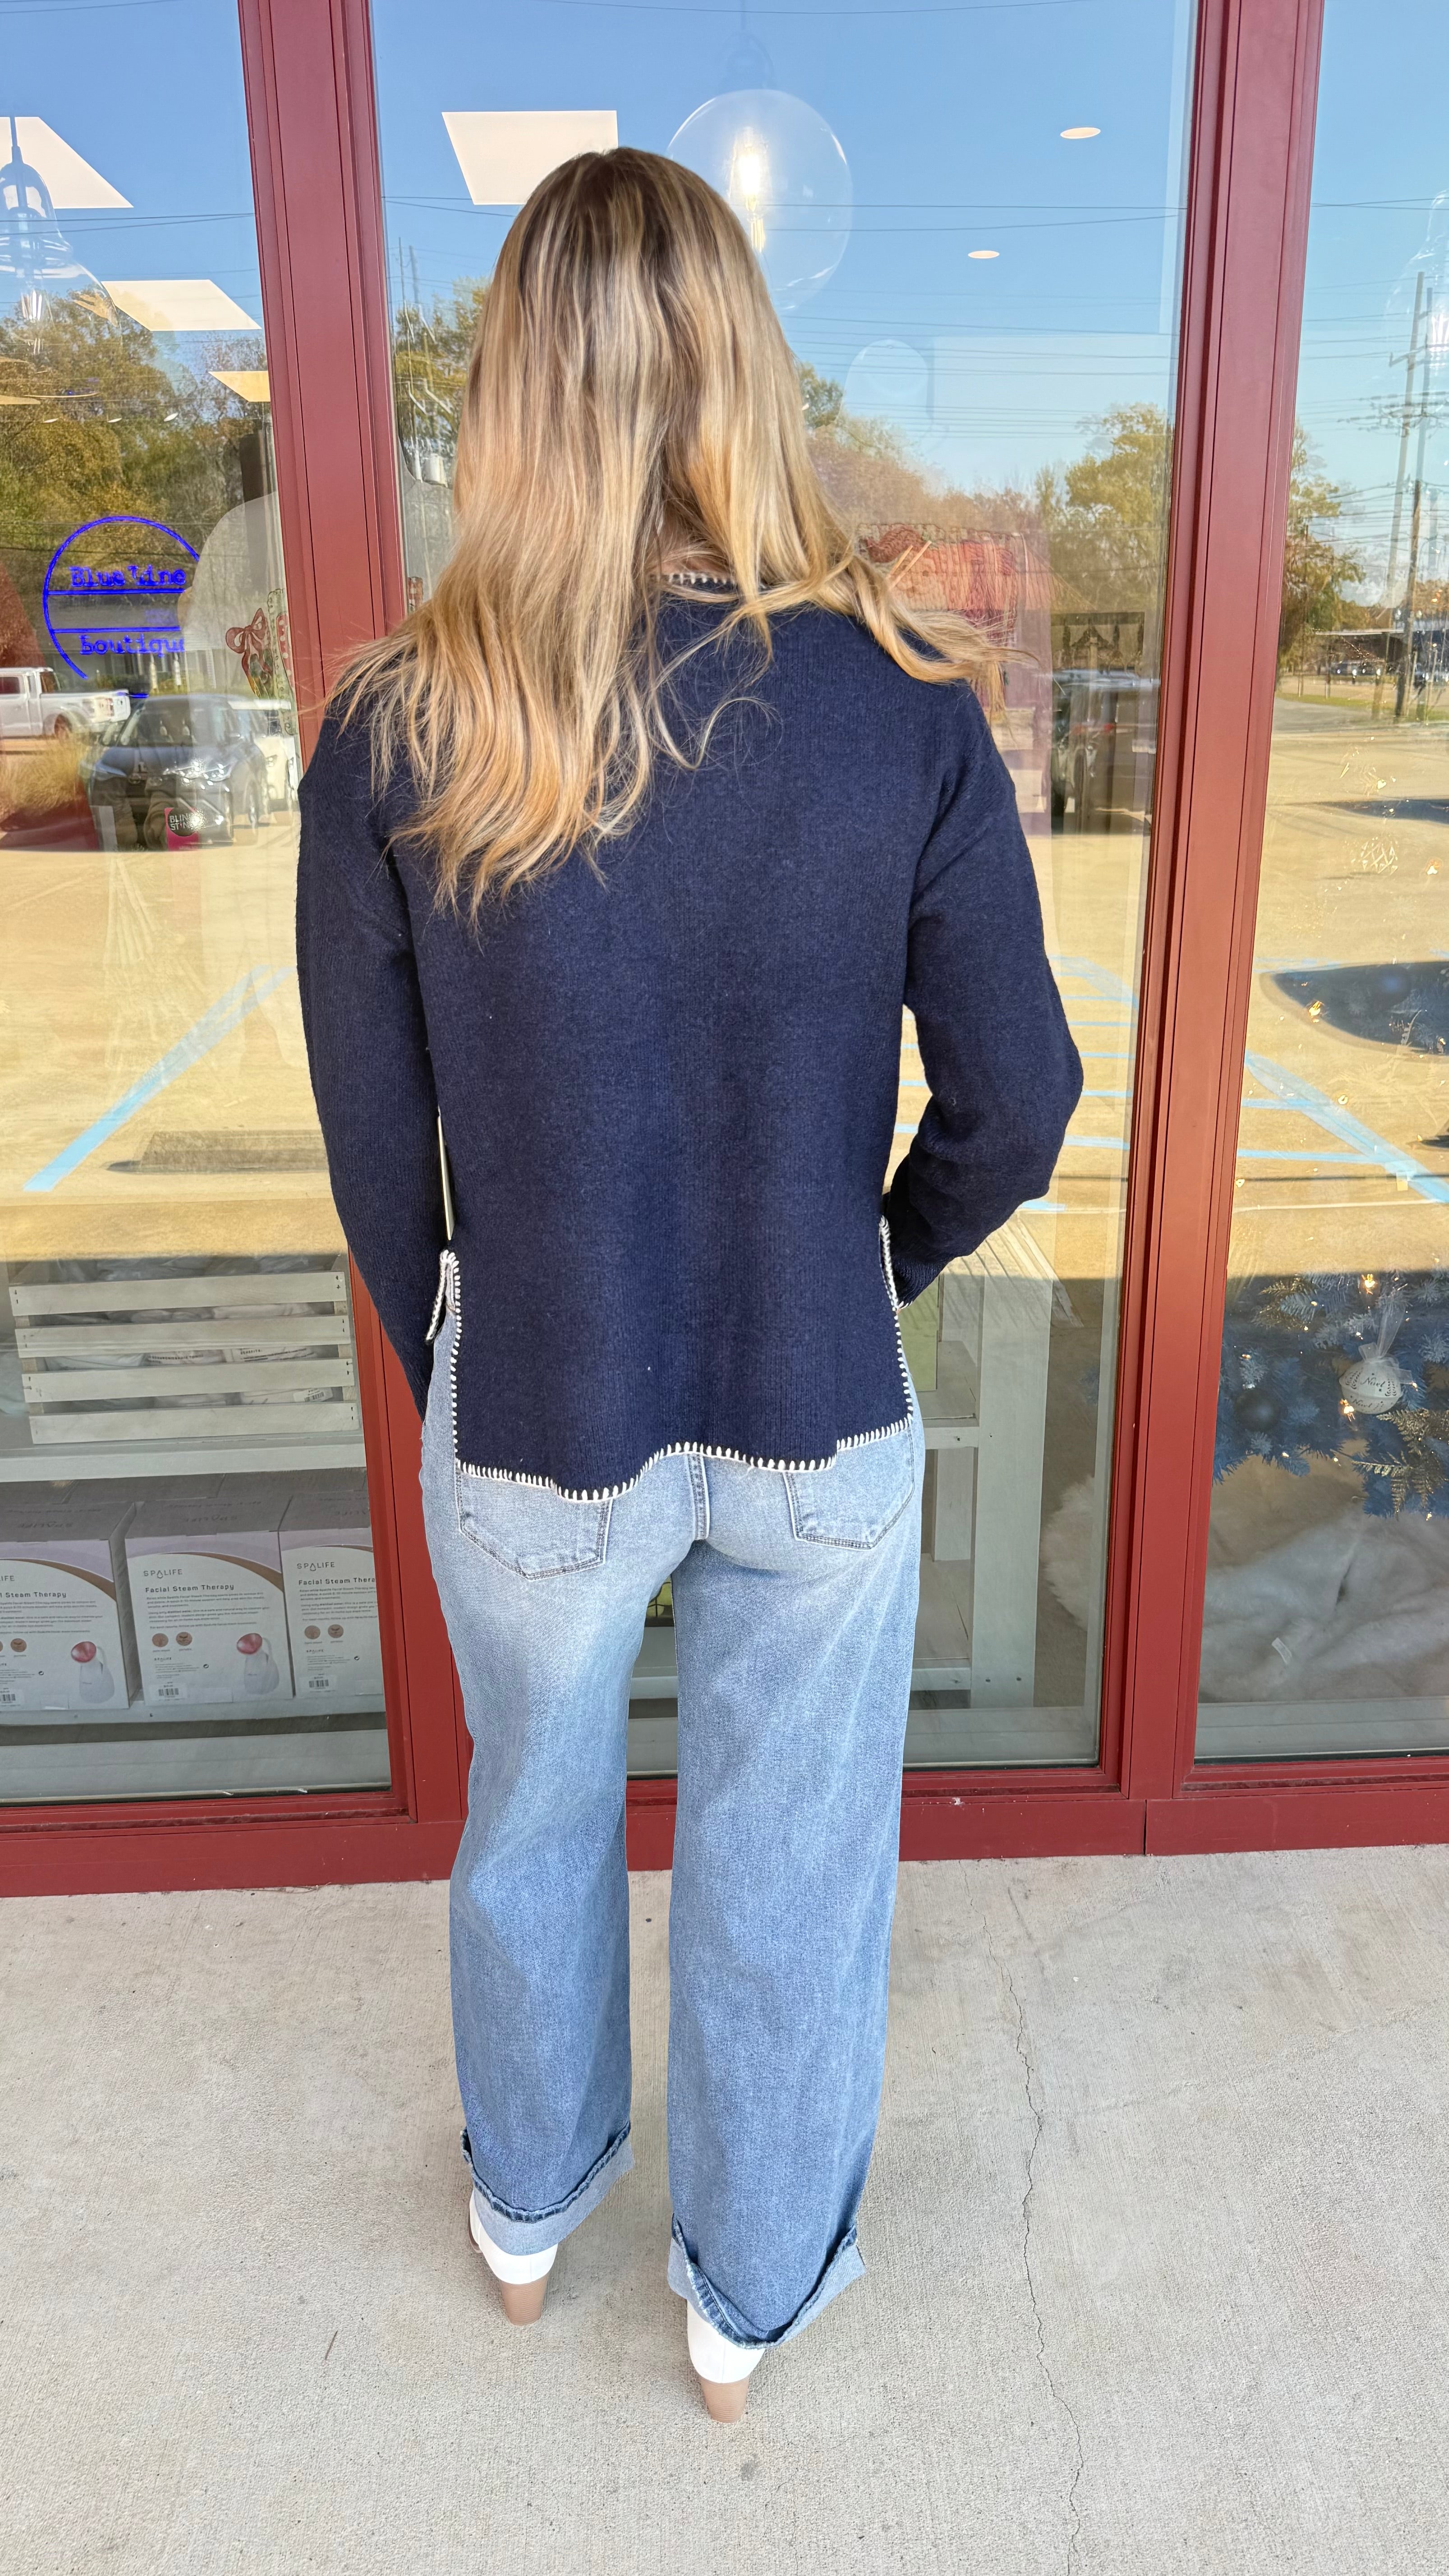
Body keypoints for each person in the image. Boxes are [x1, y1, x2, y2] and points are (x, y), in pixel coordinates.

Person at [296, 146, 1080, 2423]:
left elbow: (378, 1150)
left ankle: (530, 2211)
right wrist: (876, 1257)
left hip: (541, 1395)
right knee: (794, 1865)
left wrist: (456, 1343)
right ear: (746, 370)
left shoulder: (402, 725)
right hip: (816, 1392)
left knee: (530, 1813)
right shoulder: (902, 703)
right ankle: (746, 2301)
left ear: (509, 397)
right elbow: (1020, 1096)